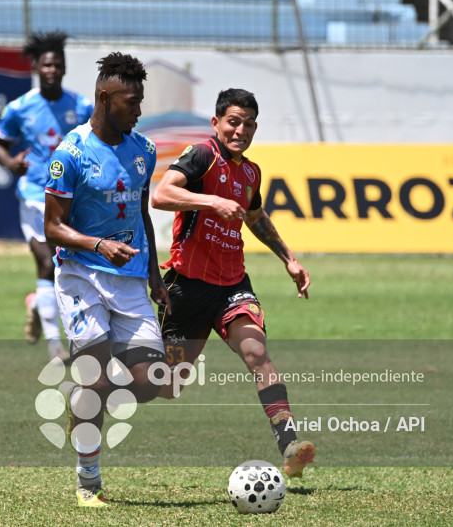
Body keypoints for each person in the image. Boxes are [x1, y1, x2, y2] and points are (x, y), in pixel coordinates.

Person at [150, 88, 316, 479]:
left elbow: (255, 218)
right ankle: (105, 379)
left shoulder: (250, 172)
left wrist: (288, 259)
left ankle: (290, 446)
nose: (241, 130)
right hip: (187, 290)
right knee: (168, 384)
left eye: (249, 124)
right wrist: (212, 202)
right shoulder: (202, 156)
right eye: (233, 122)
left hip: (231, 286)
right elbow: (161, 194)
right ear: (216, 123)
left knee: (257, 354)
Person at [44, 52, 169, 507]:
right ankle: (88, 480)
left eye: (139, 101)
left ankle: (85, 397)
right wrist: (98, 245)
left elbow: (141, 215)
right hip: (81, 274)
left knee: (152, 379)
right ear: (104, 98)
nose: (138, 110)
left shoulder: (144, 151)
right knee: (95, 380)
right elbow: (52, 227)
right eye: (131, 102)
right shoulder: (69, 155)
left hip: (131, 279)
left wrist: (154, 276)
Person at [0, 30, 93, 361]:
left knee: (68, 265)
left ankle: (38, 303)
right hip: (34, 196)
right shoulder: (20, 108)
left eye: (58, 65)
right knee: (45, 261)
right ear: (36, 66)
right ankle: (54, 344)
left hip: (69, 197)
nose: (52, 70)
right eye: (47, 65)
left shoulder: (80, 107)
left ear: (63, 68)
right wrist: (10, 163)